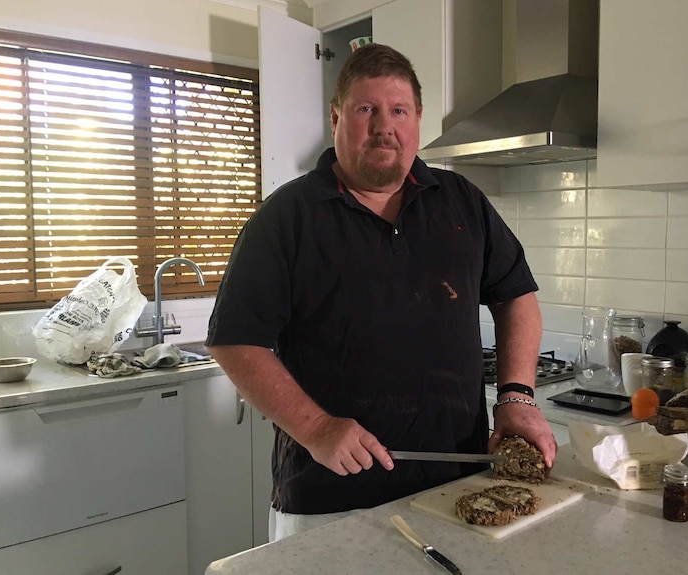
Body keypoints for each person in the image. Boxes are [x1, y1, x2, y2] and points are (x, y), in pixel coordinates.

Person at [205, 43, 556, 541]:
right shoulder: (287, 218)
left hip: (459, 486)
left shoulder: (463, 202)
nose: (382, 126)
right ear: (336, 118)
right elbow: (235, 339)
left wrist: (518, 397)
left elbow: (515, 295)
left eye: (398, 111)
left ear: (417, 119)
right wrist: (315, 428)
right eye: (366, 109)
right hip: (330, 500)